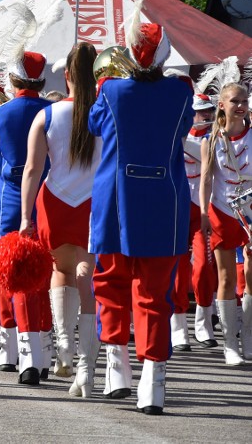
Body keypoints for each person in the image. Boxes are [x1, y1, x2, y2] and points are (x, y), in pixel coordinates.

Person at [89, 22, 193, 415]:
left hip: (116, 197)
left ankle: (117, 369)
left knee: (111, 281)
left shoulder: (110, 89)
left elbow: (94, 125)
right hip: (165, 199)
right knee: (156, 292)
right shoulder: (182, 92)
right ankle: (154, 382)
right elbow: (183, 127)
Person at [19, 42, 102, 396]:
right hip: (93, 204)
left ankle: (64, 347)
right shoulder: (105, 113)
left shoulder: (47, 115)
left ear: (65, 76)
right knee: (86, 278)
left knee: (59, 271)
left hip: (53, 202)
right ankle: (86, 366)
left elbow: (32, 170)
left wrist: (25, 218)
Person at [0, 49, 53, 385]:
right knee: (46, 276)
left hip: (9, 199)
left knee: (7, 271)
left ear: (13, 78)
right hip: (49, 198)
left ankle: (10, 348)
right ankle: (46, 349)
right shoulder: (53, 111)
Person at [199, 82, 252, 365]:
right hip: (222, 210)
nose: (241, 105)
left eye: (244, 100)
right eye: (235, 100)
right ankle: (230, 343)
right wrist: (204, 213)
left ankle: (249, 337)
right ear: (222, 104)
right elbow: (206, 178)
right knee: (227, 277)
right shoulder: (212, 139)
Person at [180, 94, 218, 349]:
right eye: (200, 111)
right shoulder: (175, 135)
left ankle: (203, 324)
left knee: (203, 266)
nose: (206, 115)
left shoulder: (212, 139)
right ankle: (178, 326)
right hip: (177, 208)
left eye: (208, 111)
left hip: (202, 210)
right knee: (177, 269)